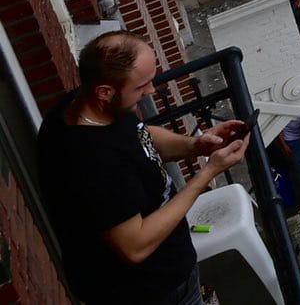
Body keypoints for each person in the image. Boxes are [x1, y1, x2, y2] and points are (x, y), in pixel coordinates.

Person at [36, 31, 252, 305]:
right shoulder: (91, 161)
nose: (151, 91)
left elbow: (140, 135)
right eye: (142, 86)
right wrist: (208, 172)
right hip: (147, 293)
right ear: (105, 91)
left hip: (171, 275)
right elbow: (135, 245)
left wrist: (196, 145)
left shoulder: (92, 106)